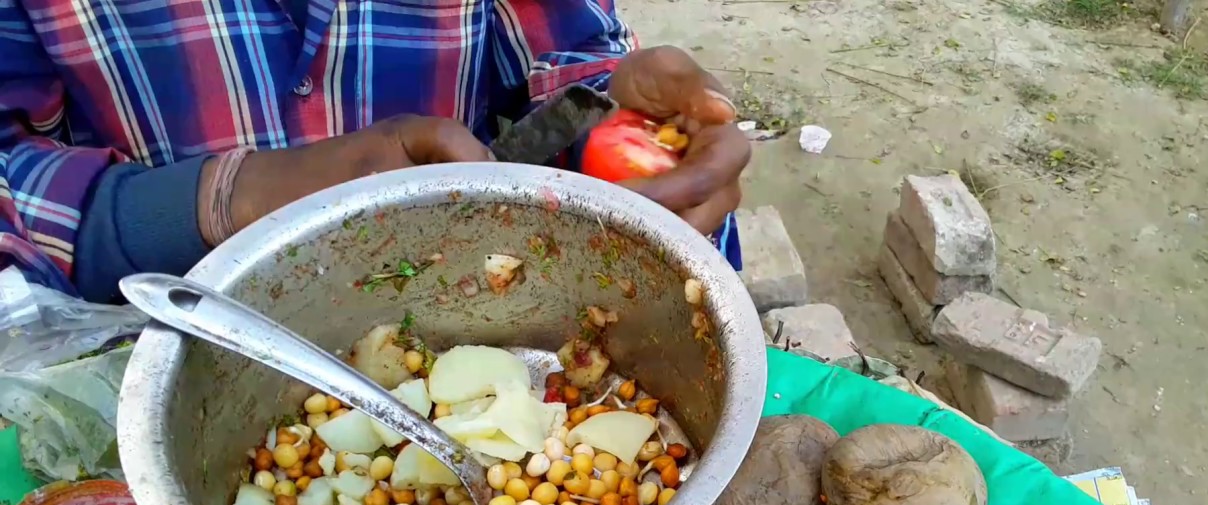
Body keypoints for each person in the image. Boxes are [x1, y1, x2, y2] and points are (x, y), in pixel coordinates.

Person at [0, 1, 750, 304]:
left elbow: (562, 59)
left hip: (473, 297)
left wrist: (609, 129)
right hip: (170, 328)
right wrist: (222, 198)